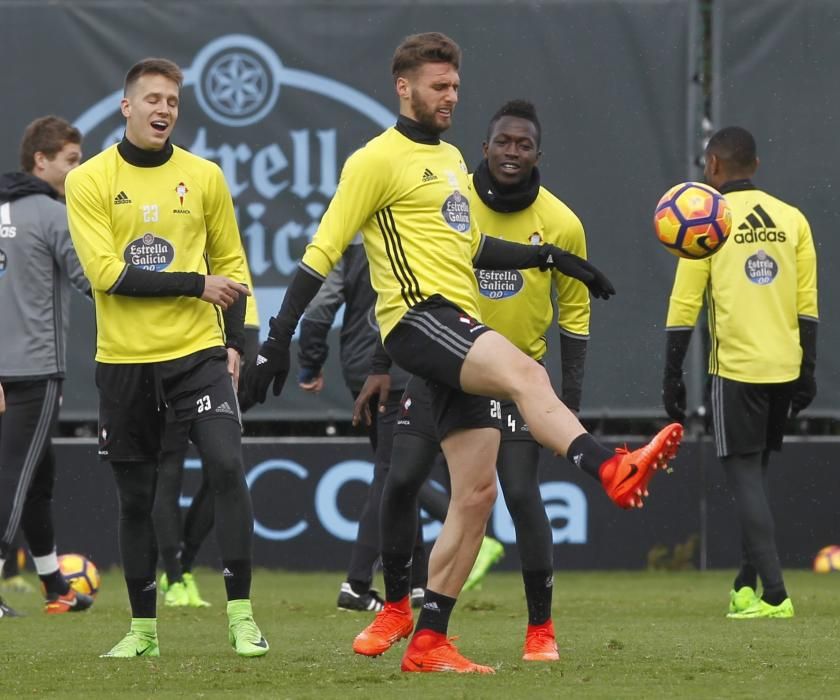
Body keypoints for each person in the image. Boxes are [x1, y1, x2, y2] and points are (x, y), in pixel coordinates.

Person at [247, 32, 682, 673]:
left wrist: (552, 257)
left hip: (454, 322)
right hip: (418, 319)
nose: (451, 95)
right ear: (404, 87)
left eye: (455, 86)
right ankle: (608, 467)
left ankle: (430, 641)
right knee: (527, 374)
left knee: (475, 496)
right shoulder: (375, 160)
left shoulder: (451, 159)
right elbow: (322, 250)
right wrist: (277, 340)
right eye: (438, 85)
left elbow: (470, 247)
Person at [351, 98, 598, 662]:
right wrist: (382, 366)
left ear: (540, 155)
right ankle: (396, 610)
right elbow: (404, 279)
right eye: (503, 143)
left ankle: (540, 630)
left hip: (515, 379)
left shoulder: (562, 223)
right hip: (440, 366)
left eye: (524, 145)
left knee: (517, 494)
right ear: (483, 148)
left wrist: (568, 404)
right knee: (401, 476)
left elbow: (576, 319)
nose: (512, 153)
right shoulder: (451, 196)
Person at [64, 58, 267, 657]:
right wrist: (193, 283)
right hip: (125, 361)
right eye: (152, 99)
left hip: (196, 353)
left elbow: (232, 264)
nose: (163, 110)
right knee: (137, 498)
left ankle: (241, 616)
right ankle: (143, 631)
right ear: (126, 107)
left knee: (228, 466)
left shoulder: (204, 176)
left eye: (173, 102)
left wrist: (237, 342)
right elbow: (104, 273)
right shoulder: (89, 180)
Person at [663, 126, 817, 620]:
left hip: (737, 369)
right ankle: (744, 586)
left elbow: (684, 306)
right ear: (756, 166)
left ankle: (774, 595)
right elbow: (807, 306)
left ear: (712, 167)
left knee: (745, 478)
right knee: (758, 474)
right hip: (785, 366)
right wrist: (807, 371)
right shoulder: (793, 219)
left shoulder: (706, 222)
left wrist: (672, 376)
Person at [0, 116, 93, 619]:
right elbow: (91, 278)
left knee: (38, 474)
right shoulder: (53, 215)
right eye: (71, 161)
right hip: (34, 369)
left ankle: (56, 585)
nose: (77, 171)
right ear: (41, 161)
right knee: (13, 478)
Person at [153, 263, 260, 609]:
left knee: (225, 464)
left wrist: (239, 342)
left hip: (230, 337)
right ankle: (173, 574)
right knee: (168, 462)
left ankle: (183, 566)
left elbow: (235, 271)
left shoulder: (217, 218)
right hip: (170, 343)